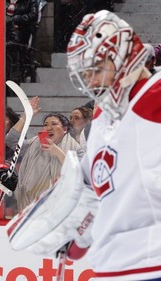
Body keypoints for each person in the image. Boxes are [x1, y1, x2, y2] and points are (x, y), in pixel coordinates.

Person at [14, 10, 161, 281]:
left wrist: (153, 53)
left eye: (96, 69)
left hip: (152, 261)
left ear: (123, 57)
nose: (91, 81)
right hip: (112, 265)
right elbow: (93, 183)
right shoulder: (105, 113)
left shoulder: (154, 98)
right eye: (86, 72)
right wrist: (75, 231)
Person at [6, 96, 84, 211]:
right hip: (30, 207)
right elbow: (11, 139)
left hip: (62, 208)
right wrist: (26, 116)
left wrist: (56, 151)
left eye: (54, 124)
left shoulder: (76, 149)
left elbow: (80, 172)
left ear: (65, 129)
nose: (49, 128)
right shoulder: (34, 144)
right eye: (46, 124)